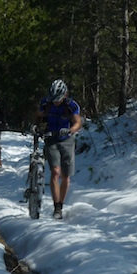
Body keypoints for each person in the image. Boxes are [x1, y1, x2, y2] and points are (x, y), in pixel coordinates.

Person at [36, 79, 82, 219]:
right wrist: (36, 126)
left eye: (58, 99)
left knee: (66, 175)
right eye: (53, 99)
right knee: (55, 171)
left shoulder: (71, 105)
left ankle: (61, 203)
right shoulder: (46, 103)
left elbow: (78, 122)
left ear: (65, 95)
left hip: (66, 140)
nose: (56, 102)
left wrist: (70, 130)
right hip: (51, 139)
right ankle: (56, 207)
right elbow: (39, 117)